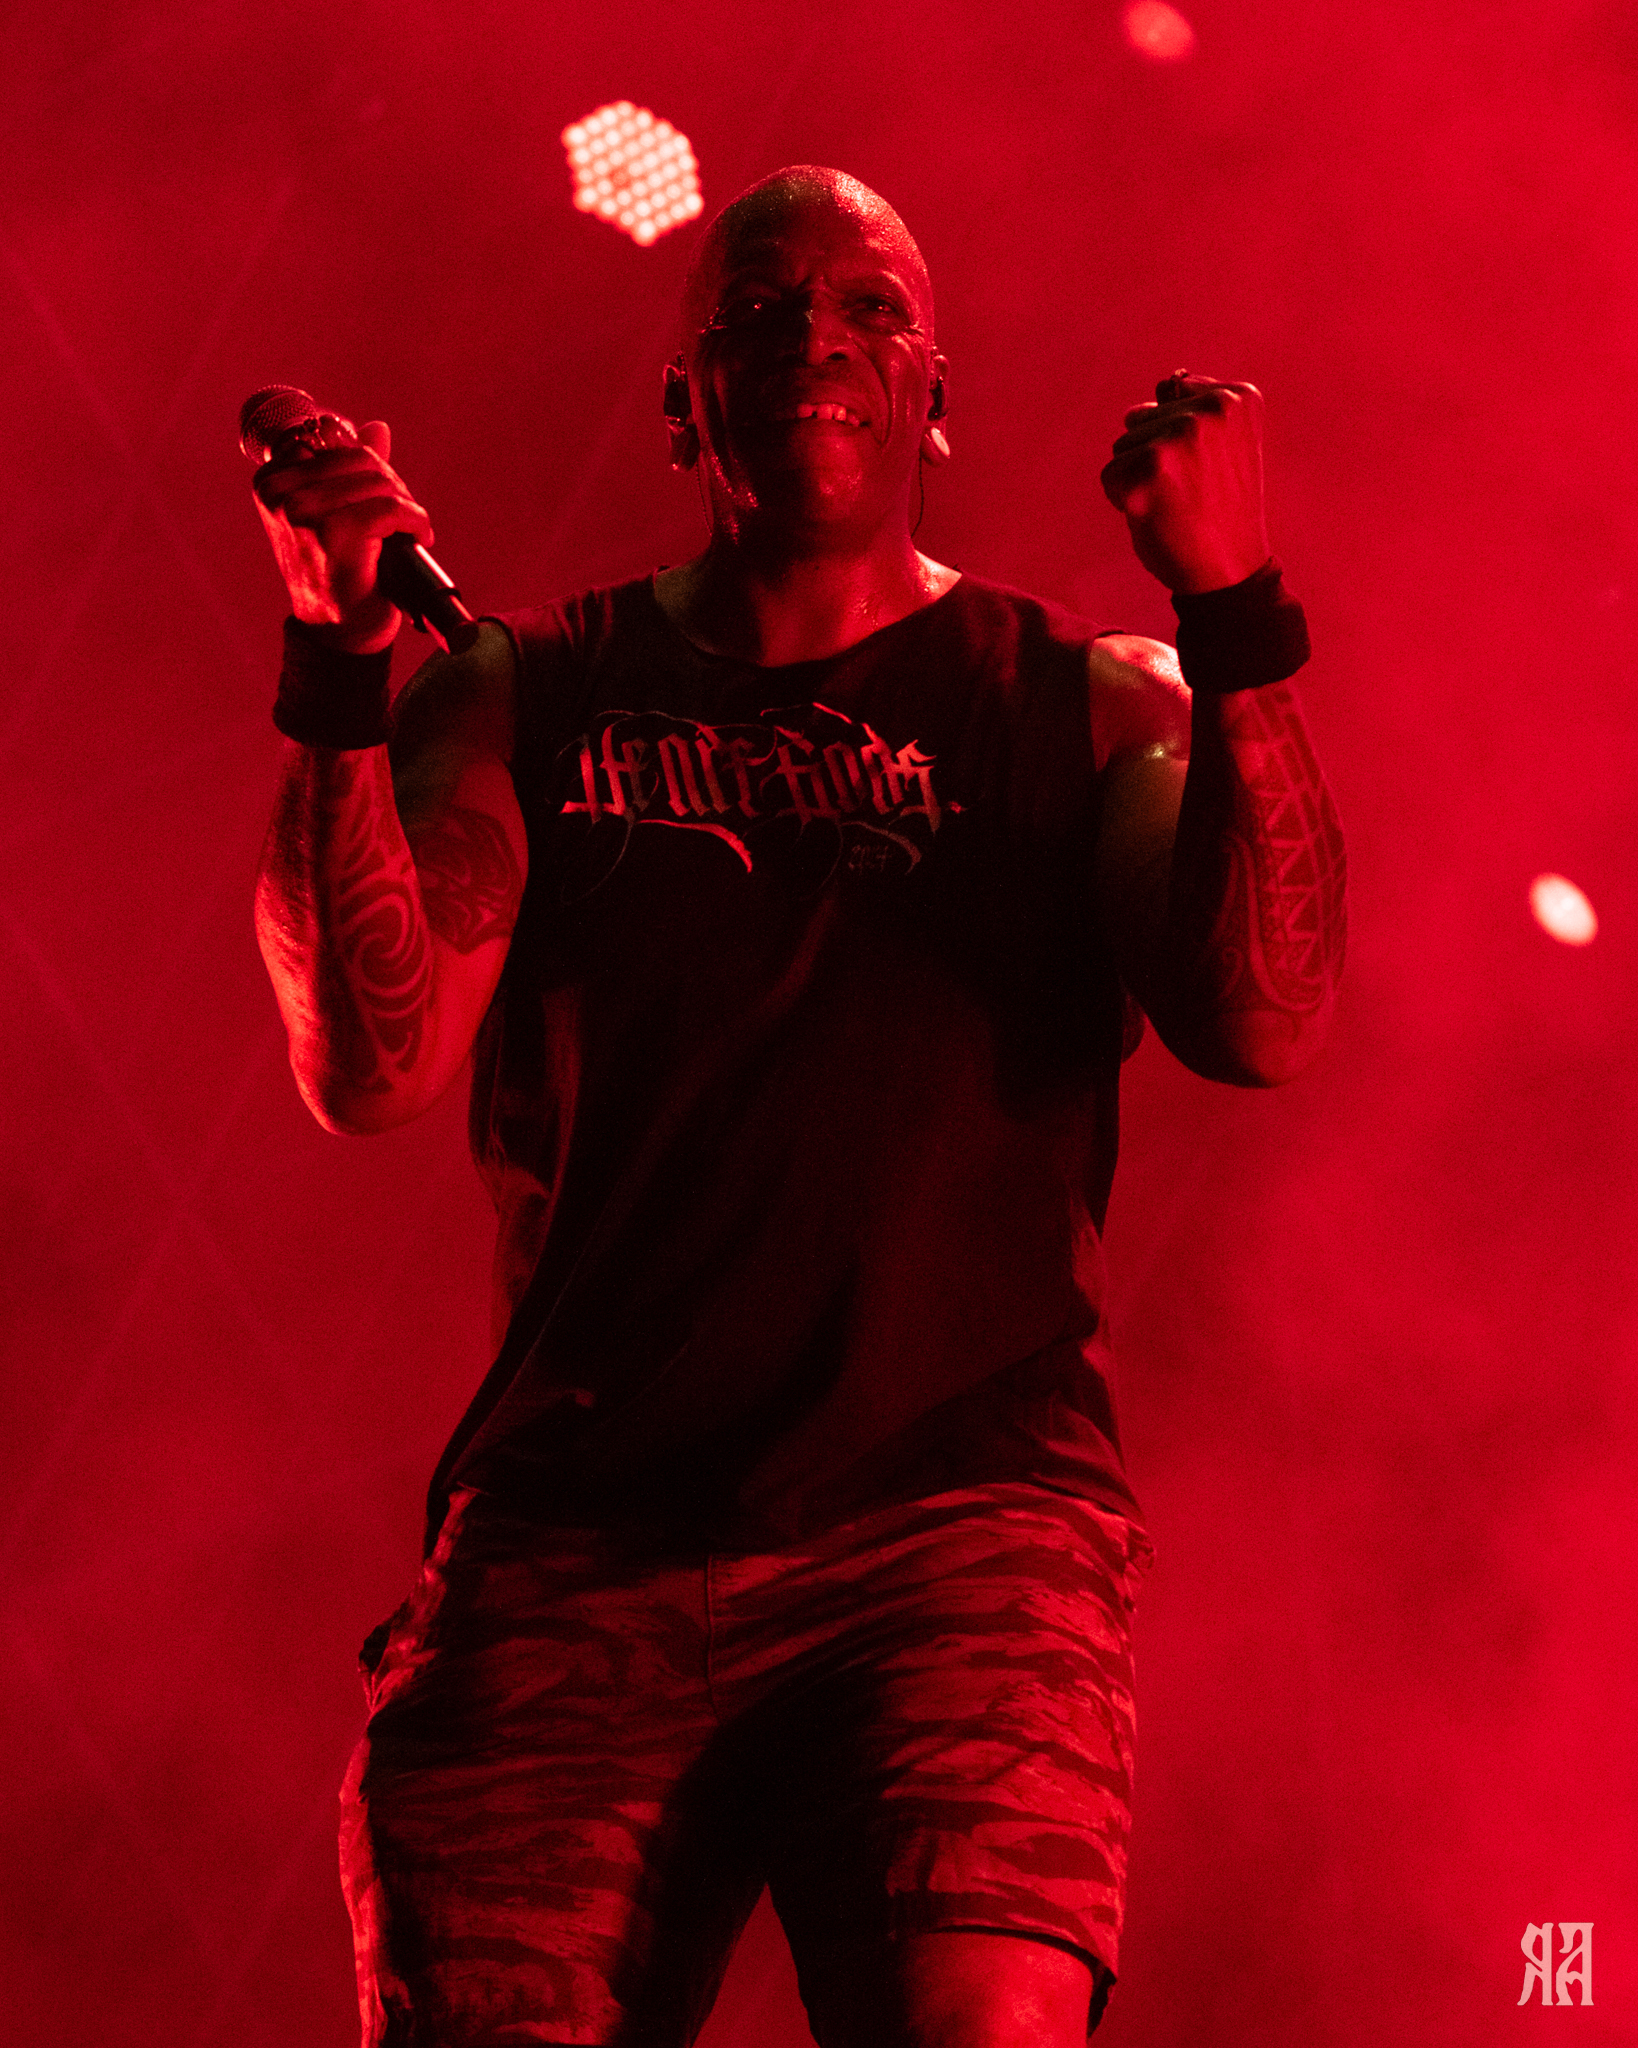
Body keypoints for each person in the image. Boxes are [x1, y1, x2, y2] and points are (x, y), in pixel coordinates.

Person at [250, 166, 1345, 2048]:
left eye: (867, 309)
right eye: (758, 312)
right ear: (685, 405)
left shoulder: (1090, 700)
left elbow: (1262, 1016)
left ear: (935, 394)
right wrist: (338, 669)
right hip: (577, 1534)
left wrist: (1235, 613)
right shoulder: (526, 687)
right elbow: (371, 1063)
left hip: (959, 1523)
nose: (816, 338)